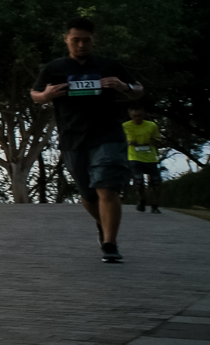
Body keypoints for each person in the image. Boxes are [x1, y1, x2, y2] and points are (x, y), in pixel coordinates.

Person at [32, 19, 144, 261]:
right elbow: (35, 93)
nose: (81, 45)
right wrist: (46, 95)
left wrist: (123, 86)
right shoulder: (54, 68)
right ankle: (103, 224)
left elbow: (138, 89)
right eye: (76, 40)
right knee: (89, 195)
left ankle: (110, 245)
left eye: (86, 40)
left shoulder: (108, 65)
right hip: (72, 138)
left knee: (107, 187)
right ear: (66, 39)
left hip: (107, 134)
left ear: (94, 40)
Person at [122, 106, 163, 213]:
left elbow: (159, 141)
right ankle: (142, 199)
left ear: (143, 114)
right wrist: (128, 143)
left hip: (150, 157)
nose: (137, 118)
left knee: (155, 182)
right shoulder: (125, 126)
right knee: (139, 180)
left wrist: (153, 140)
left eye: (139, 115)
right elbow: (119, 142)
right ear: (130, 115)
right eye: (135, 116)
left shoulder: (151, 125)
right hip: (134, 157)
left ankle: (155, 205)